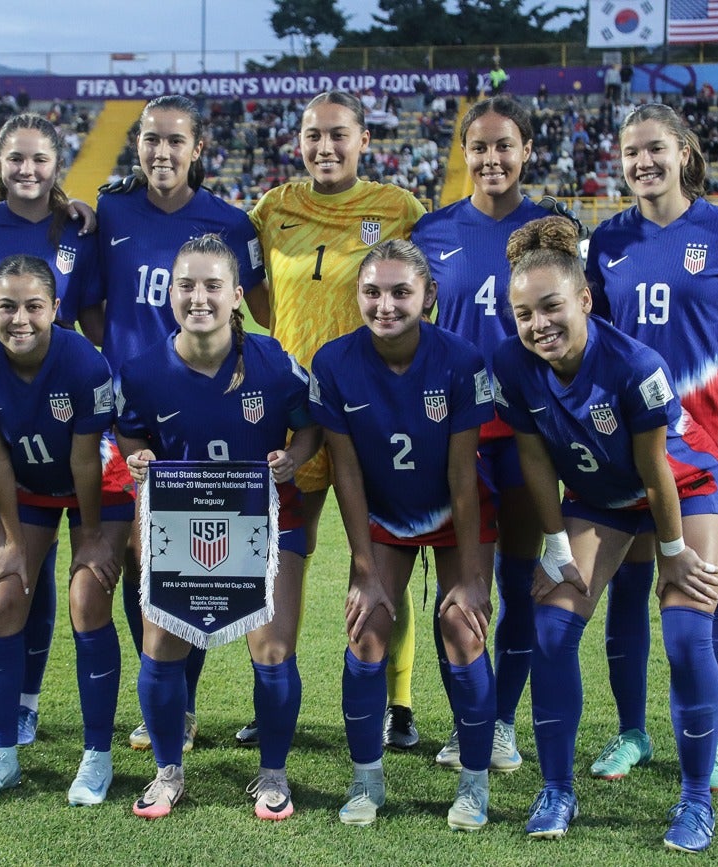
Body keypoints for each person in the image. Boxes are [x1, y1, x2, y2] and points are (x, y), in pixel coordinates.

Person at [493, 216, 718, 852]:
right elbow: (536, 458)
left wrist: (675, 555)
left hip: (686, 486)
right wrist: (555, 543)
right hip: (602, 497)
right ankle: (558, 788)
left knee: (684, 633)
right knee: (551, 626)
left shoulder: (634, 364)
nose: (539, 324)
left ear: (585, 300)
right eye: (524, 314)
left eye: (551, 307)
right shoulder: (512, 366)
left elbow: (658, 472)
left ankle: (696, 800)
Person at [585, 103, 718, 794]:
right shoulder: (606, 240)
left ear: (683, 151)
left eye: (653, 149)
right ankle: (632, 730)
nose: (641, 163)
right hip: (632, 447)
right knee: (628, 583)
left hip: (710, 446)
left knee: (711, 587)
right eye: (629, 153)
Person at [78, 94, 265, 752]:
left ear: (197, 150)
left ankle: (179, 702)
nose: (161, 152)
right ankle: (165, 689)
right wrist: (130, 365)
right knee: (137, 559)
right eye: (150, 139)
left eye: (174, 141)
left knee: (191, 563)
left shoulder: (230, 222)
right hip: (129, 419)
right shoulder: (112, 210)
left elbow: (262, 310)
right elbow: (90, 307)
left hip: (201, 418)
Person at [116, 235, 320, 820]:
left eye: (212, 286)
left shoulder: (275, 362)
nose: (198, 297)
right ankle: (167, 771)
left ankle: (274, 774)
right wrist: (139, 458)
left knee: (274, 649)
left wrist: (295, 458)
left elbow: (309, 428)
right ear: (170, 293)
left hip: (265, 518)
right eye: (187, 285)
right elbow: (130, 433)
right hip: (185, 522)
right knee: (161, 645)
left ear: (236, 295)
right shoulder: (143, 372)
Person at [247, 90, 428, 750]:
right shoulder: (273, 208)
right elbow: (253, 289)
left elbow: (422, 293)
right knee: (272, 560)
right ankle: (270, 696)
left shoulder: (398, 208)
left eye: (337, 135)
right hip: (287, 416)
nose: (324, 146)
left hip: (367, 416)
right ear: (298, 141)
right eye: (312, 135)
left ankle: (397, 703)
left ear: (363, 139)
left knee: (377, 564)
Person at [311, 240, 497, 831]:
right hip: (384, 516)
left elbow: (464, 476)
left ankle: (474, 783)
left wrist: (470, 577)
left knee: (460, 628)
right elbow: (345, 470)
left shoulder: (462, 360)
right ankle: (366, 778)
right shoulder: (334, 363)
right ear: (356, 295)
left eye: (400, 292)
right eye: (372, 292)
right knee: (366, 628)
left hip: (455, 513)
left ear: (429, 296)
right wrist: (364, 569)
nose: (385, 305)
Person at [0, 112, 109, 752]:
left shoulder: (77, 228)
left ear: (57, 162)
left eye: (40, 159)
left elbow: (92, 316)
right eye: (15, 158)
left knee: (48, 577)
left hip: (63, 402)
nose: (27, 170)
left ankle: (24, 704)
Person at [0, 255, 124, 805]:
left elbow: (84, 462)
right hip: (26, 488)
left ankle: (97, 756)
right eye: (7, 306)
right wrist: (14, 542)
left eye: (32, 306)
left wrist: (92, 535)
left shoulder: (84, 363)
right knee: (2, 601)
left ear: (55, 308)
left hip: (96, 484)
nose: (19, 318)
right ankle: (3, 756)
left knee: (88, 598)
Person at [411, 95, 548, 775]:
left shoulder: (556, 233)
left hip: (527, 433)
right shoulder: (431, 231)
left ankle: (498, 725)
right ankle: (470, 716)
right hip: (454, 434)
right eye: (479, 146)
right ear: (463, 153)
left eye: (505, 145)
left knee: (519, 582)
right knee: (459, 585)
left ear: (527, 151)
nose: (491, 158)